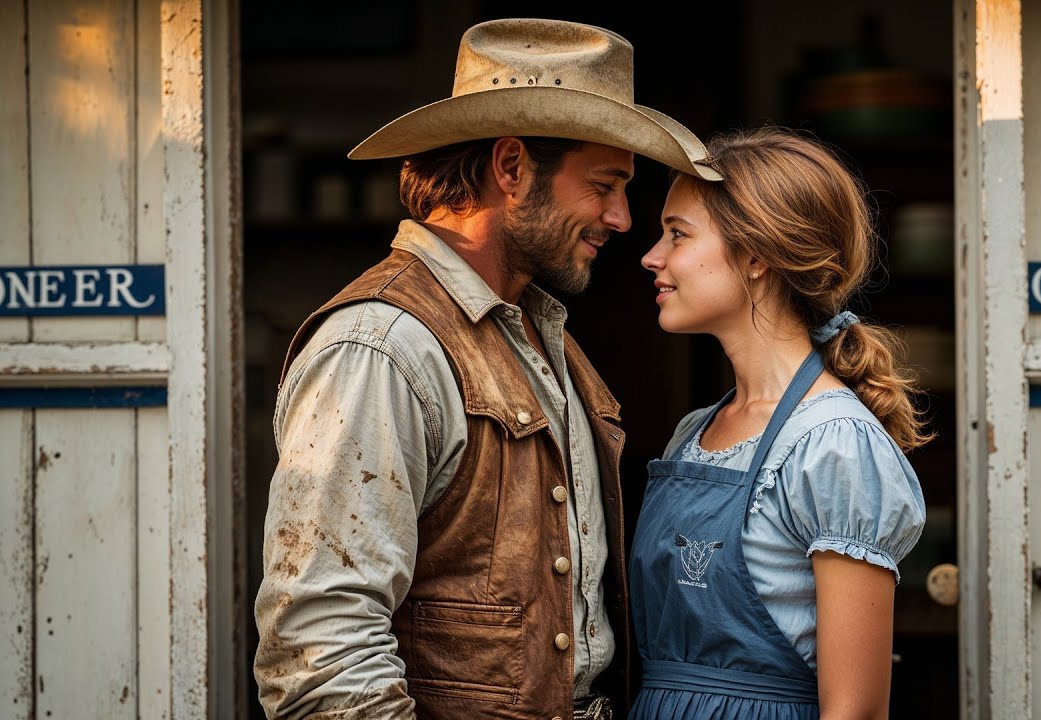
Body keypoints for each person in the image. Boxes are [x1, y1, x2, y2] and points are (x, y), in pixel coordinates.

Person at [253, 18, 720, 720]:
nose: (622, 218)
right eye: (604, 184)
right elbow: (323, 654)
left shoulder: (538, 331)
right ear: (510, 168)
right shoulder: (381, 346)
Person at [629, 127, 929, 719]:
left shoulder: (834, 444)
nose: (652, 257)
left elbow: (857, 712)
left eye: (677, 235)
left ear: (757, 255)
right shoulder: (693, 432)